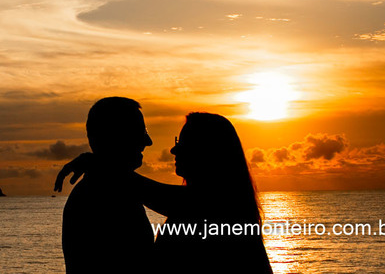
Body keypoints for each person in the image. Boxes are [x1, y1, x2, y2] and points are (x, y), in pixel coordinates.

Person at [57, 112, 272, 274]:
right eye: (177, 142)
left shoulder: (221, 206)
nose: (173, 150)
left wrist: (102, 165)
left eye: (184, 143)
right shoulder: (217, 204)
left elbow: (166, 197)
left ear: (208, 152)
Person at [60, 96, 155, 273]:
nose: (148, 141)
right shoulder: (103, 194)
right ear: (115, 136)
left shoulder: (114, 187)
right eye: (139, 132)